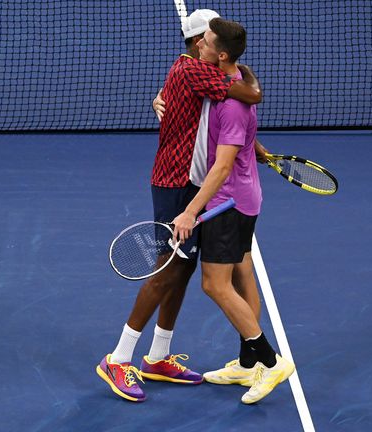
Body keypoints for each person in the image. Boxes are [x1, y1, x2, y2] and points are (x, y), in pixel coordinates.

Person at [96, 9, 263, 403]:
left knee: (182, 271)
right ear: (198, 42)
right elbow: (250, 91)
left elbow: (220, 108)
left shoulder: (199, 70)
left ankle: (157, 357)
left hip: (193, 185)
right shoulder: (193, 69)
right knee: (166, 271)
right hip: (176, 186)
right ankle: (118, 359)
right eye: (209, 36)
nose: (213, 41)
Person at [171, 17, 295, 404]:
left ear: (221, 54)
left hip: (227, 201)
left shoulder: (231, 104)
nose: (199, 47)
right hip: (245, 197)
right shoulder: (240, 80)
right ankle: (246, 363)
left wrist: (191, 210)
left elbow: (221, 166)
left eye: (205, 43)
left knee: (214, 284)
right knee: (242, 275)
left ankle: (271, 362)